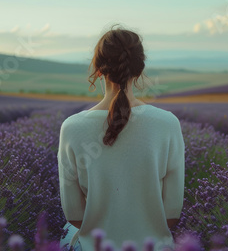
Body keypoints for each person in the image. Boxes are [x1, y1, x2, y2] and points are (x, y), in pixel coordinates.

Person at [57, 25, 185, 251]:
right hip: (153, 247)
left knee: (66, 234)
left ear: (98, 70)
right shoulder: (168, 124)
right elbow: (172, 215)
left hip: (95, 247)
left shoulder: (72, 128)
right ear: (139, 69)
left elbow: (74, 215)